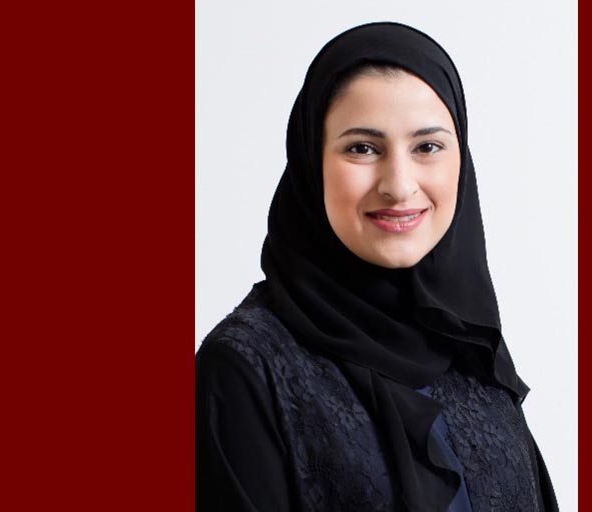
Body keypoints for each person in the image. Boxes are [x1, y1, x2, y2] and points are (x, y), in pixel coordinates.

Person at [196, 21, 558, 512]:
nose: (399, 185)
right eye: (362, 148)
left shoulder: (467, 349)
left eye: (427, 146)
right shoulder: (244, 368)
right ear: (311, 162)